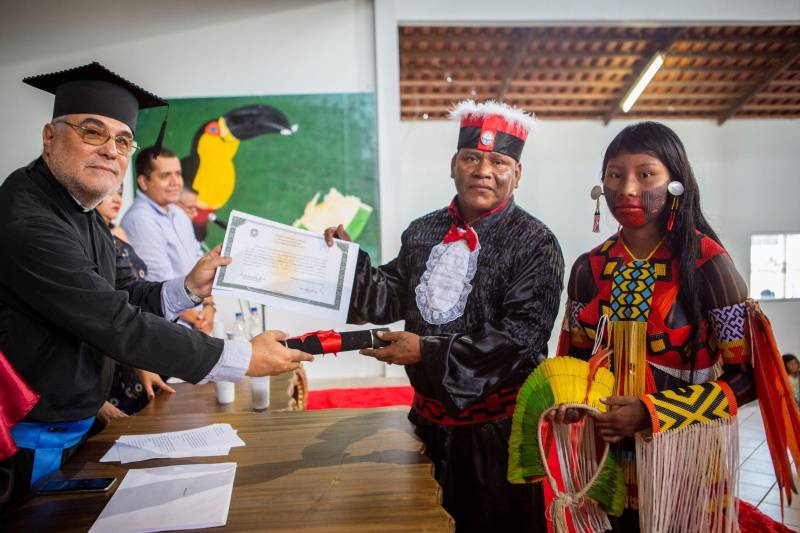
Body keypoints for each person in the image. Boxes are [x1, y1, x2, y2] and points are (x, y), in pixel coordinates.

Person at [0, 62, 312, 506]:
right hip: (23, 442)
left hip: (76, 423)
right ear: (50, 137)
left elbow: (123, 292)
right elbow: (115, 321)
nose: (111, 150)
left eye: (123, 139)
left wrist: (185, 287)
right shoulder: (28, 219)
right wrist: (244, 358)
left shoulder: (79, 210)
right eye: (93, 132)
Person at [325, 100, 564, 532]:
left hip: (498, 435)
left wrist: (426, 352)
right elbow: (389, 298)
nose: (483, 170)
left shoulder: (536, 242)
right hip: (427, 423)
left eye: (498, 161)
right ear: (454, 165)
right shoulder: (422, 232)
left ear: (518, 173)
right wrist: (349, 261)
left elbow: (521, 337)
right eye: (472, 158)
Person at [554, 122, 796, 531]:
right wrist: (568, 398)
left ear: (675, 184)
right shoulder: (587, 268)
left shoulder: (708, 264)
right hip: (605, 454)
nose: (627, 189)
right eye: (614, 175)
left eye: (645, 174)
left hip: (683, 458)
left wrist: (653, 413)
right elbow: (576, 360)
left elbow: (749, 378)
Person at [95, 185, 174, 423]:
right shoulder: (86, 242)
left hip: (132, 342)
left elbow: (135, 291)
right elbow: (102, 310)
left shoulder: (118, 232)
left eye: (119, 191)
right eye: (108, 192)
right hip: (107, 348)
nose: (116, 198)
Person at [121, 147, 214, 333]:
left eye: (178, 174)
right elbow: (158, 284)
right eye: (165, 176)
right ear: (143, 182)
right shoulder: (140, 220)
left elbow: (202, 262)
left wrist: (210, 308)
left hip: (197, 324)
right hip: (169, 331)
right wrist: (198, 321)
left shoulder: (178, 214)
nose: (176, 182)